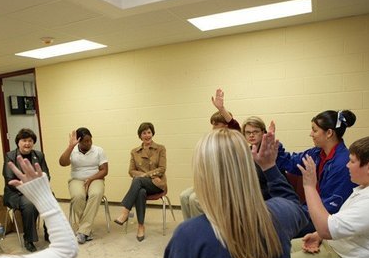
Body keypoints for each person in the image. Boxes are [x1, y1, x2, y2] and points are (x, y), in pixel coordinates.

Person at [163, 128, 308, 258]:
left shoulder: (187, 235)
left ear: (202, 174)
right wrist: (269, 166)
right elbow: (293, 203)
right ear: (247, 169)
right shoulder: (280, 215)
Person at [275, 110, 357, 237]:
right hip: (311, 211)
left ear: (329, 133)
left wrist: (296, 214)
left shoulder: (343, 164)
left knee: (275, 227)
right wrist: (275, 147)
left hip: (324, 220)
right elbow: (291, 163)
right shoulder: (317, 153)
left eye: (314, 130)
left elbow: (330, 208)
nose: (311, 134)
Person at [180, 88, 241, 220]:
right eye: (212, 124)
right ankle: (190, 228)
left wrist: (222, 109)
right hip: (211, 182)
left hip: (226, 184)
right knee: (184, 196)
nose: (213, 128)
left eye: (216, 124)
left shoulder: (233, 140)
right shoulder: (213, 142)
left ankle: (202, 233)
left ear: (225, 126)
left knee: (195, 200)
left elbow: (235, 126)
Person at [114, 122, 167, 241]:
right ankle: (141, 226)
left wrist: (144, 176)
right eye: (144, 133)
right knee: (140, 191)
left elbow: (162, 169)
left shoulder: (160, 148)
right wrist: (142, 177)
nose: (147, 135)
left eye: (149, 132)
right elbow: (131, 171)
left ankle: (125, 212)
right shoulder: (134, 151)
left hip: (157, 184)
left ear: (152, 133)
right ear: (140, 135)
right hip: (141, 185)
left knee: (138, 181)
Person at [3, 128, 50, 252]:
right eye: (24, 140)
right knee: (29, 204)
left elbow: (46, 175)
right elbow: (9, 179)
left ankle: (49, 232)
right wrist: (27, 188)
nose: (27, 144)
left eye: (30, 141)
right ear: (18, 142)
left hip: (37, 190)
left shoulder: (39, 155)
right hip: (16, 192)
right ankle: (29, 239)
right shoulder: (10, 156)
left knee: (51, 198)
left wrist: (36, 188)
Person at [59, 127, 108, 244]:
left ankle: (83, 231)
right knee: (77, 196)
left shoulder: (99, 150)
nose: (89, 143)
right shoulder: (73, 150)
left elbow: (104, 170)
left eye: (90, 140)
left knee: (96, 194)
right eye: (85, 141)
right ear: (79, 142)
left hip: (96, 178)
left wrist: (91, 178)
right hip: (77, 179)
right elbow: (62, 163)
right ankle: (86, 230)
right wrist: (70, 147)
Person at [241, 117, 288, 200]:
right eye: (248, 132)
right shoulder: (246, 152)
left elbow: (273, 183)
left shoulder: (271, 149)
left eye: (255, 132)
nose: (251, 135)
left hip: (273, 197)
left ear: (263, 132)